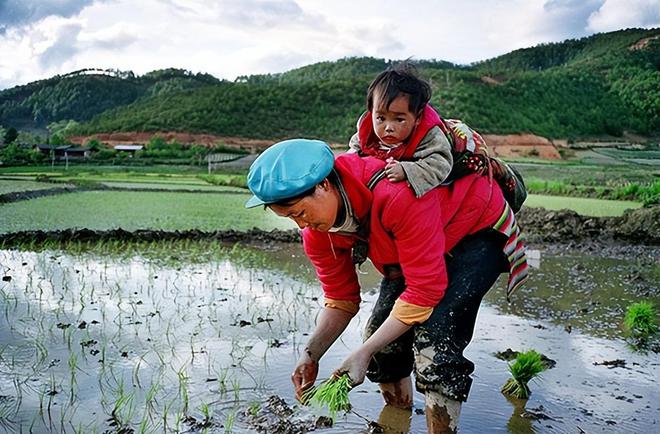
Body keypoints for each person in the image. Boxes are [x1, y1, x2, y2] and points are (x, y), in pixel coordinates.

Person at [245, 139, 527, 433]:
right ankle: (396, 421)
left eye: (300, 213)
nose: (301, 225)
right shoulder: (318, 233)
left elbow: (424, 292)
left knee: (437, 339)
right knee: (381, 339)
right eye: (290, 218)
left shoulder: (395, 193)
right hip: (413, 244)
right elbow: (340, 300)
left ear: (324, 185)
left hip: (475, 230)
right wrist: (310, 354)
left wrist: (362, 353)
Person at [348, 62, 453, 198]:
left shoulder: (429, 135)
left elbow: (441, 164)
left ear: (417, 117)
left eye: (399, 120)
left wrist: (408, 170)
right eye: (381, 118)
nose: (388, 128)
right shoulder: (366, 131)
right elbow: (353, 151)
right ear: (371, 112)